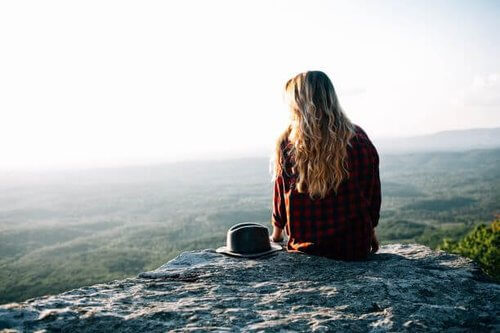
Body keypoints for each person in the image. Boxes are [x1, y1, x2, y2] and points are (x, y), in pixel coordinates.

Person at [270, 71, 381, 261]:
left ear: (297, 104)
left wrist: (276, 237)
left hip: (306, 251)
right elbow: (371, 195)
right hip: (354, 248)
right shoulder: (358, 139)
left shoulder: (288, 143)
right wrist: (370, 233)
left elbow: (281, 200)